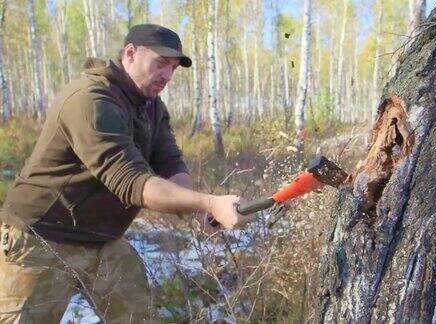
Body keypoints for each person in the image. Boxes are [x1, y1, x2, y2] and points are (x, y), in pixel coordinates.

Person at [0, 24, 253, 323]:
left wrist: (198, 207)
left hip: (102, 237)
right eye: (161, 64)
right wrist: (208, 203)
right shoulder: (91, 100)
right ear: (130, 54)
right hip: (40, 236)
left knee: (137, 318)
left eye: (173, 68)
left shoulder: (151, 105)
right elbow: (131, 182)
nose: (168, 76)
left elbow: (170, 163)